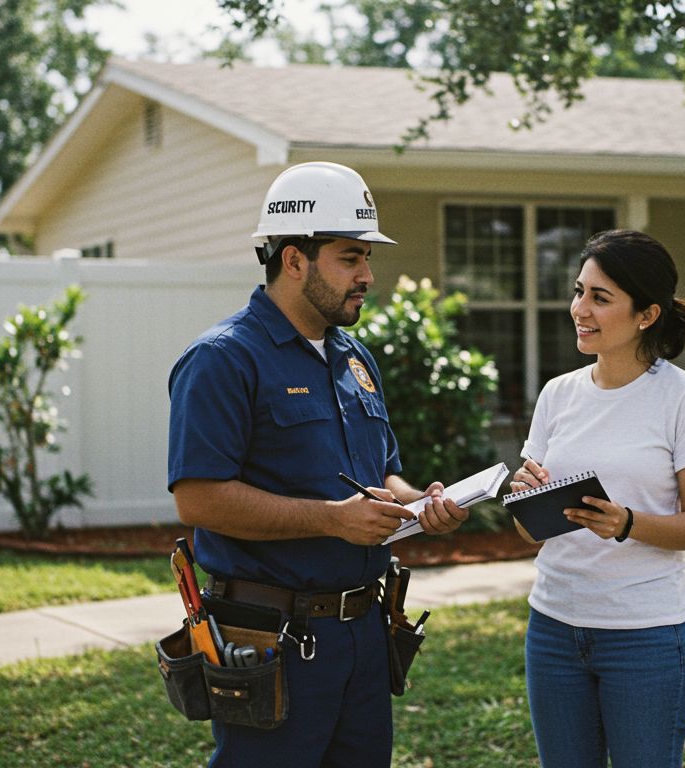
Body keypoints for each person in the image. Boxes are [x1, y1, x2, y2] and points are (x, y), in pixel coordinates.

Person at [167, 161, 471, 767]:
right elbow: (198, 499)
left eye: (366, 258)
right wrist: (332, 520)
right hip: (271, 637)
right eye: (350, 257)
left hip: (364, 630)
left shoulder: (353, 357)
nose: (367, 275)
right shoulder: (222, 361)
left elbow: (383, 474)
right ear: (294, 258)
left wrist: (421, 504)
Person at [508, 228, 685, 768]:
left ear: (646, 315)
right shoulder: (558, 394)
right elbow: (528, 530)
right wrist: (524, 499)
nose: (580, 308)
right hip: (553, 628)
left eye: (600, 298)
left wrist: (626, 523)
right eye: (580, 291)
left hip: (644, 638)